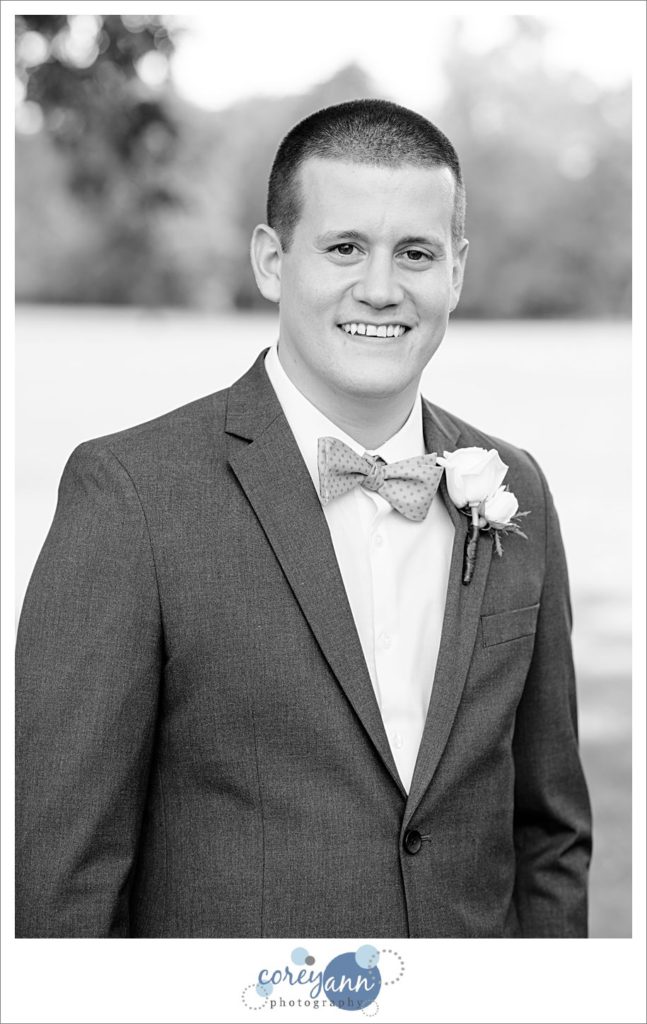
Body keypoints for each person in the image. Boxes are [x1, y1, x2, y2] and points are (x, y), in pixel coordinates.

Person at [15, 99, 592, 938]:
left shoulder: (518, 490)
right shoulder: (131, 495)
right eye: (345, 247)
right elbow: (60, 870)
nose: (382, 289)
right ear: (272, 260)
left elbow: (550, 835)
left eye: (417, 253)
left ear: (457, 271)